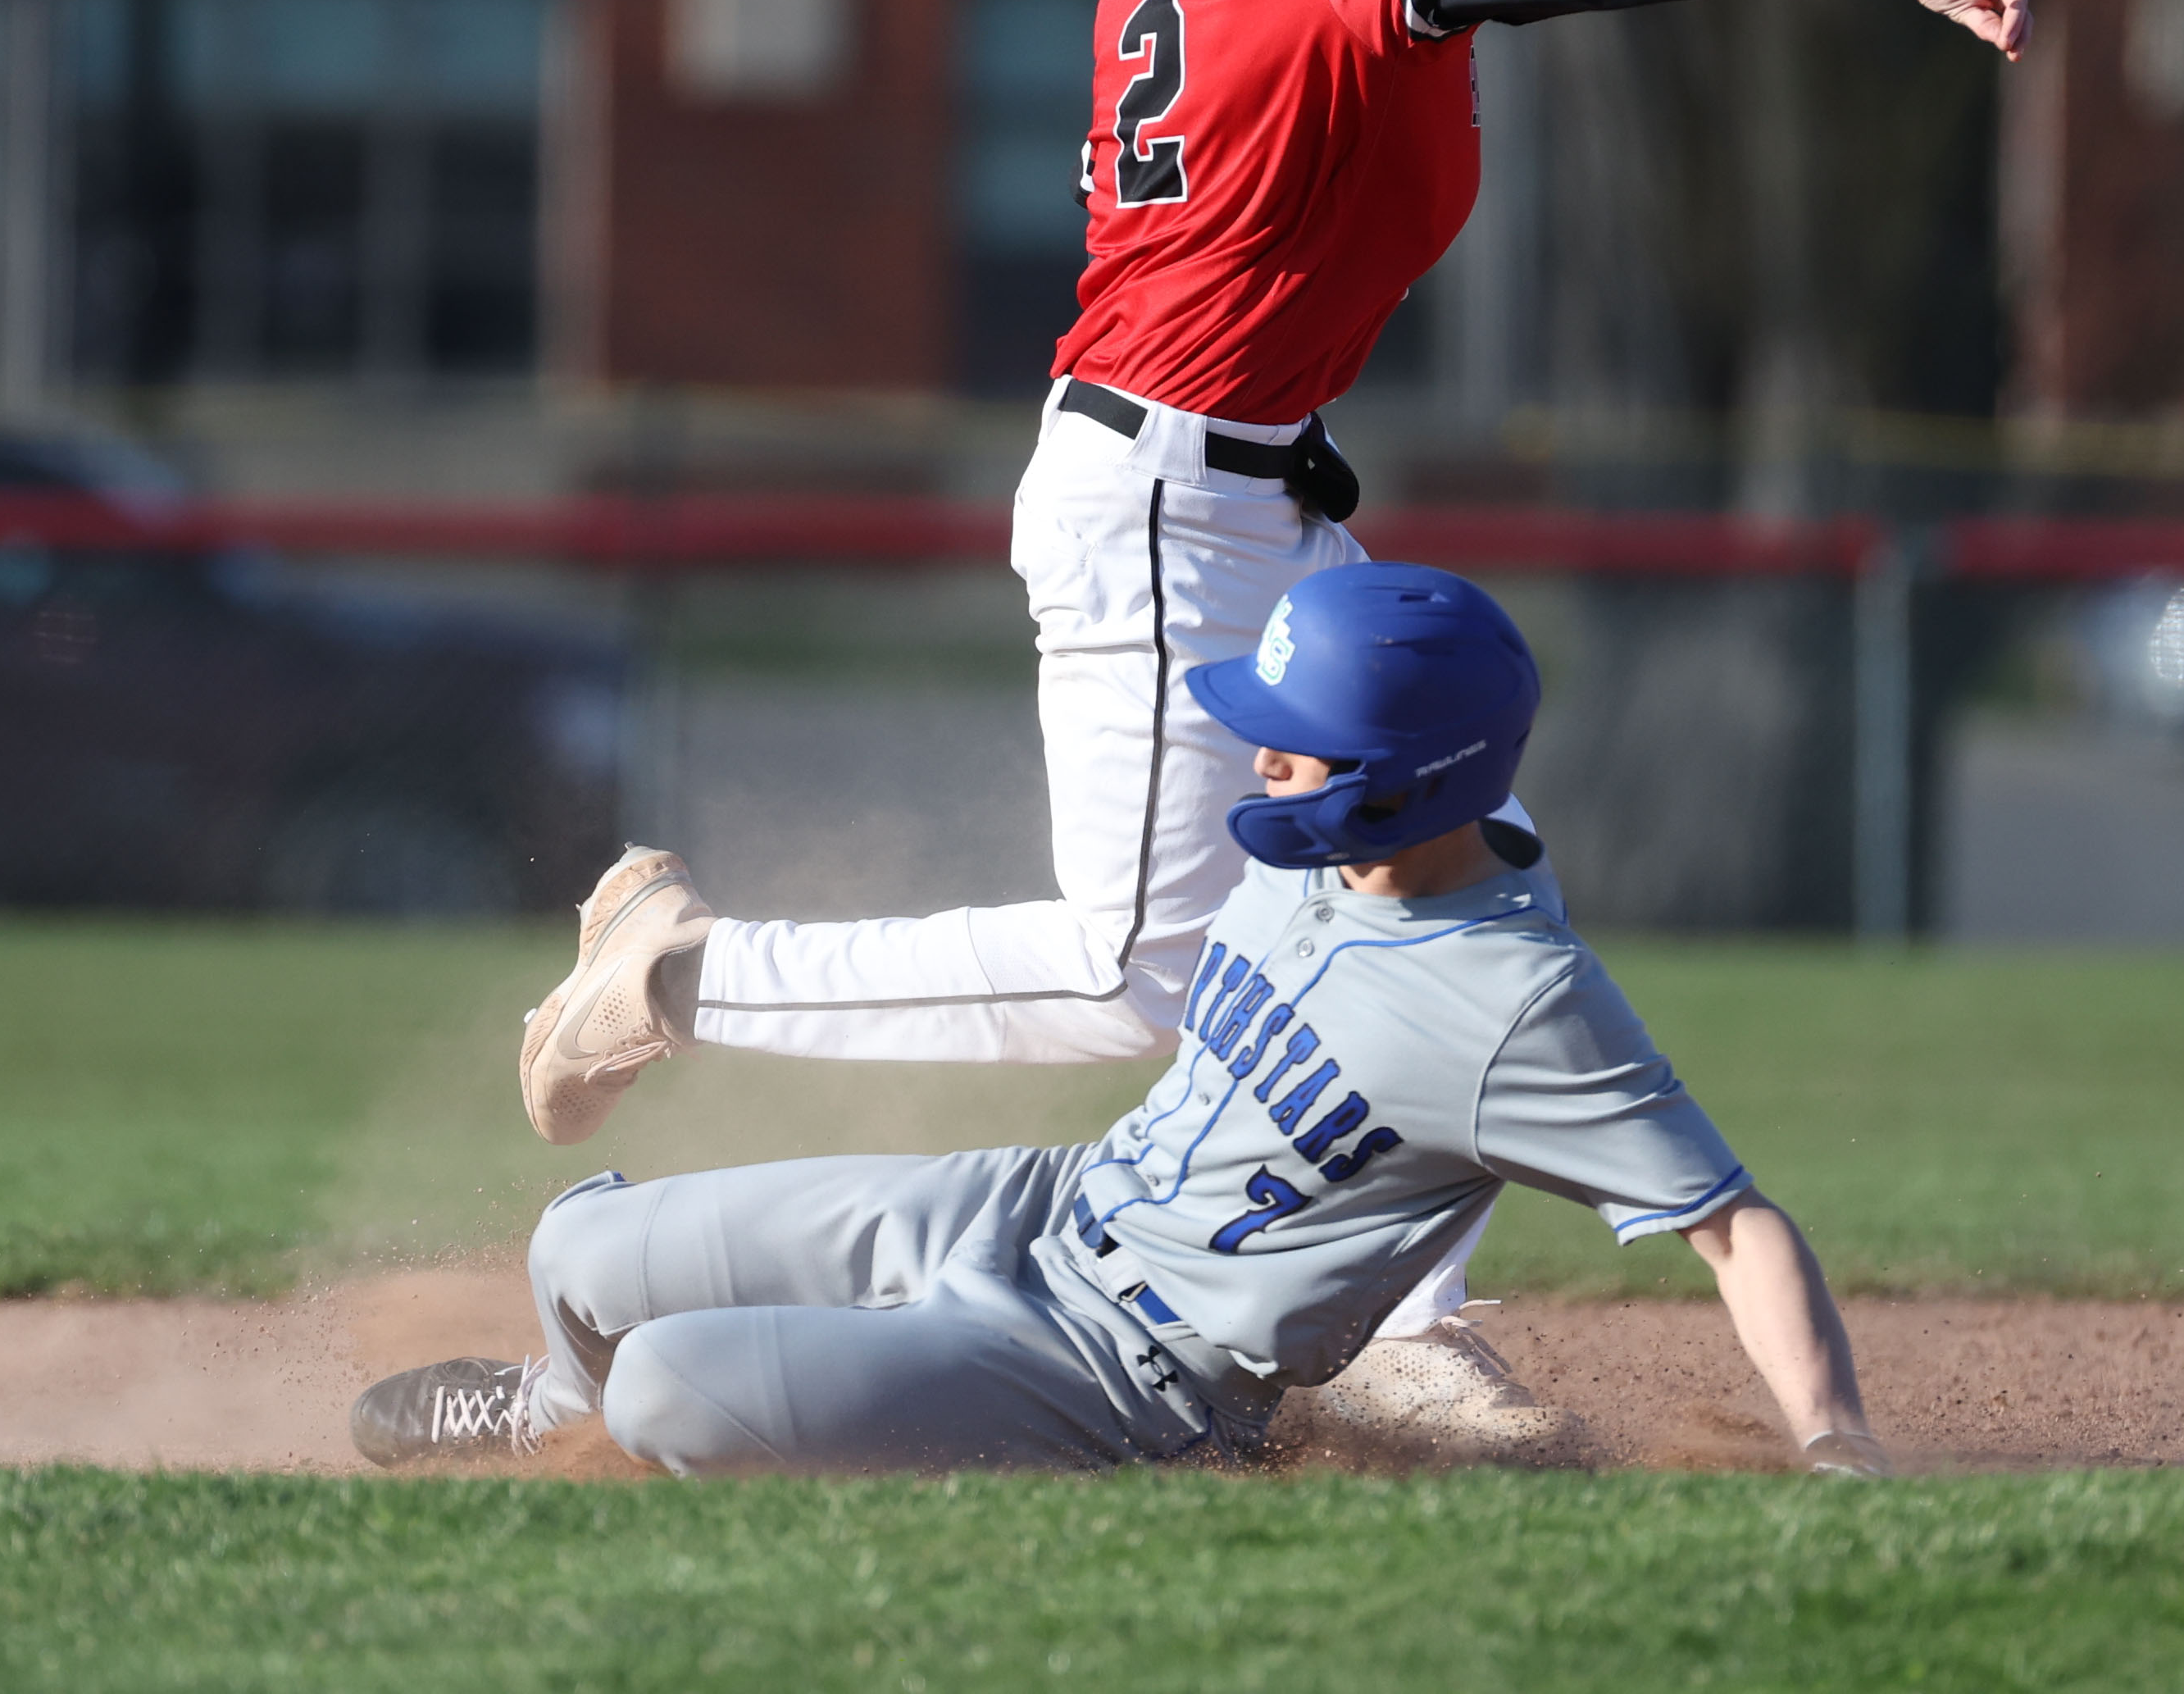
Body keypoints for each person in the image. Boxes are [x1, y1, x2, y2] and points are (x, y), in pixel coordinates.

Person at [512, 0, 2025, 1453]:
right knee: (1135, 968)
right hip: (1161, 501)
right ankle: (682, 972)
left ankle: (1403, 1314)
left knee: (1459, 854)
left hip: (1242, 477)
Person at [365, 565, 1891, 1481]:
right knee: (576, 1251)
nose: (1263, 758)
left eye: (1297, 750)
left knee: (670, 1384)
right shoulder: (1393, 832)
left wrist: (1837, 1449)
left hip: (1124, 1375)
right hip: (1041, 1201)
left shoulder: (1519, 1009)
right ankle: (540, 1414)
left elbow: (1734, 1224)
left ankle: (763, 1401)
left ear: (1401, 784)